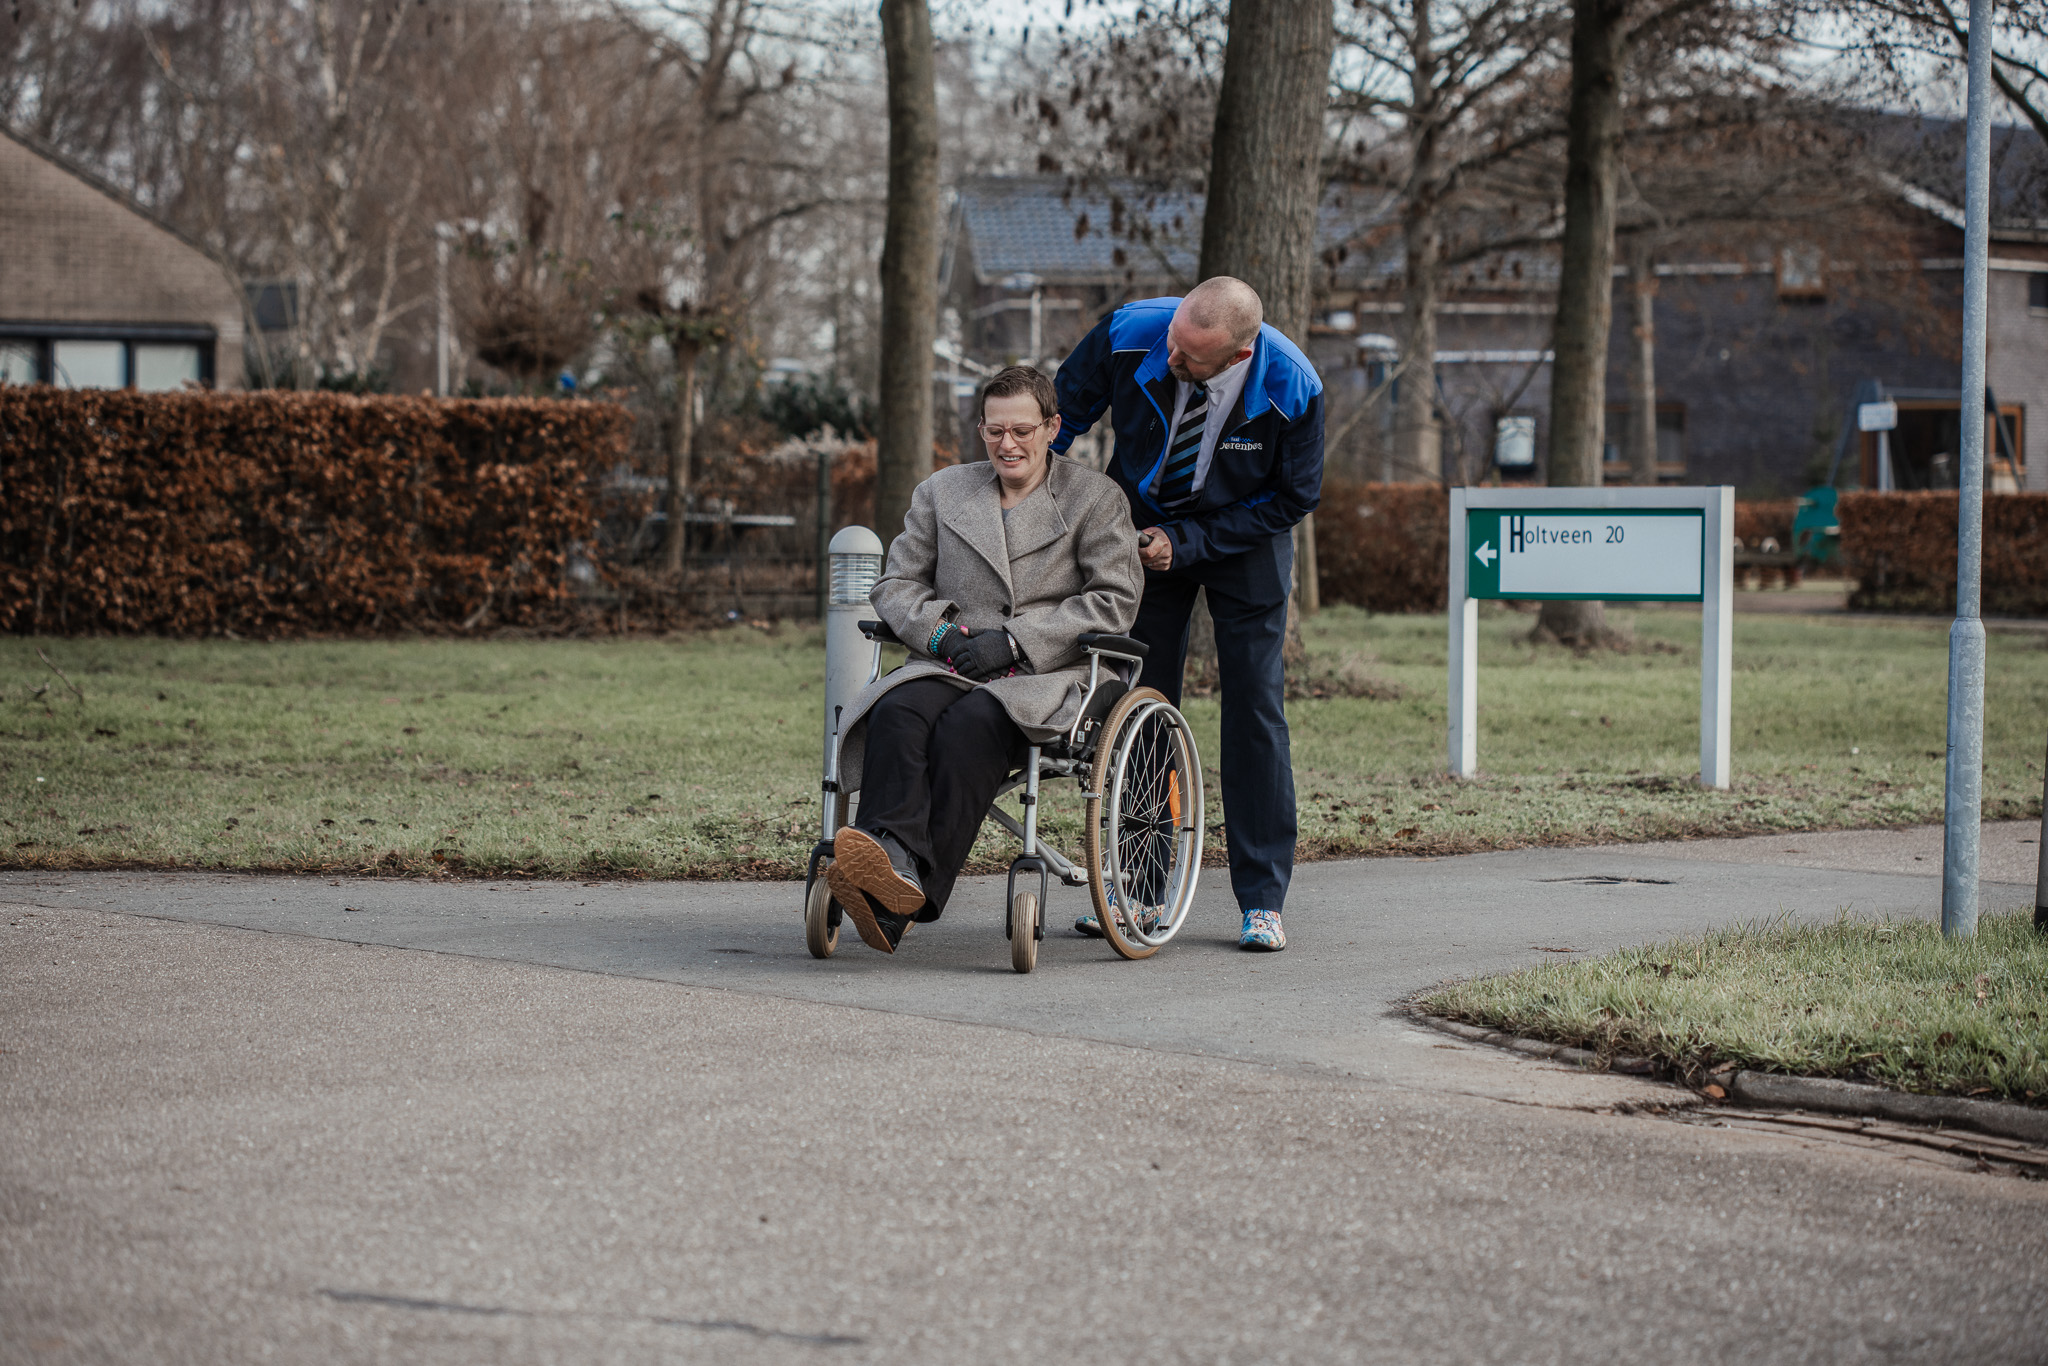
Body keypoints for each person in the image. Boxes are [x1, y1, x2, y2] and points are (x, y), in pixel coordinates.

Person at [825, 366, 1143, 955]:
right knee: (896, 710)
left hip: (1048, 672)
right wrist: (942, 634)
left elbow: (1114, 601)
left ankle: (904, 896)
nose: (1008, 444)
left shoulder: (1096, 499)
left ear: (1052, 427)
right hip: (955, 660)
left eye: (1022, 430)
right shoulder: (942, 491)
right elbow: (896, 584)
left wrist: (1018, 640)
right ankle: (892, 860)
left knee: (971, 726)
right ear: (981, 429)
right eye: (995, 431)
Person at [1051, 277, 1323, 952]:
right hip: (1142, 529)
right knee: (1138, 703)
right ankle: (1138, 890)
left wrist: (1192, 542)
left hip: (1245, 541)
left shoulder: (1292, 386)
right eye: (1174, 341)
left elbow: (1294, 497)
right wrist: (1040, 504)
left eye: (1190, 357)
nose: (1171, 358)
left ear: (1238, 355)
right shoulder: (1131, 332)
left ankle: (1262, 901)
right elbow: (1057, 418)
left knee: (1255, 708)